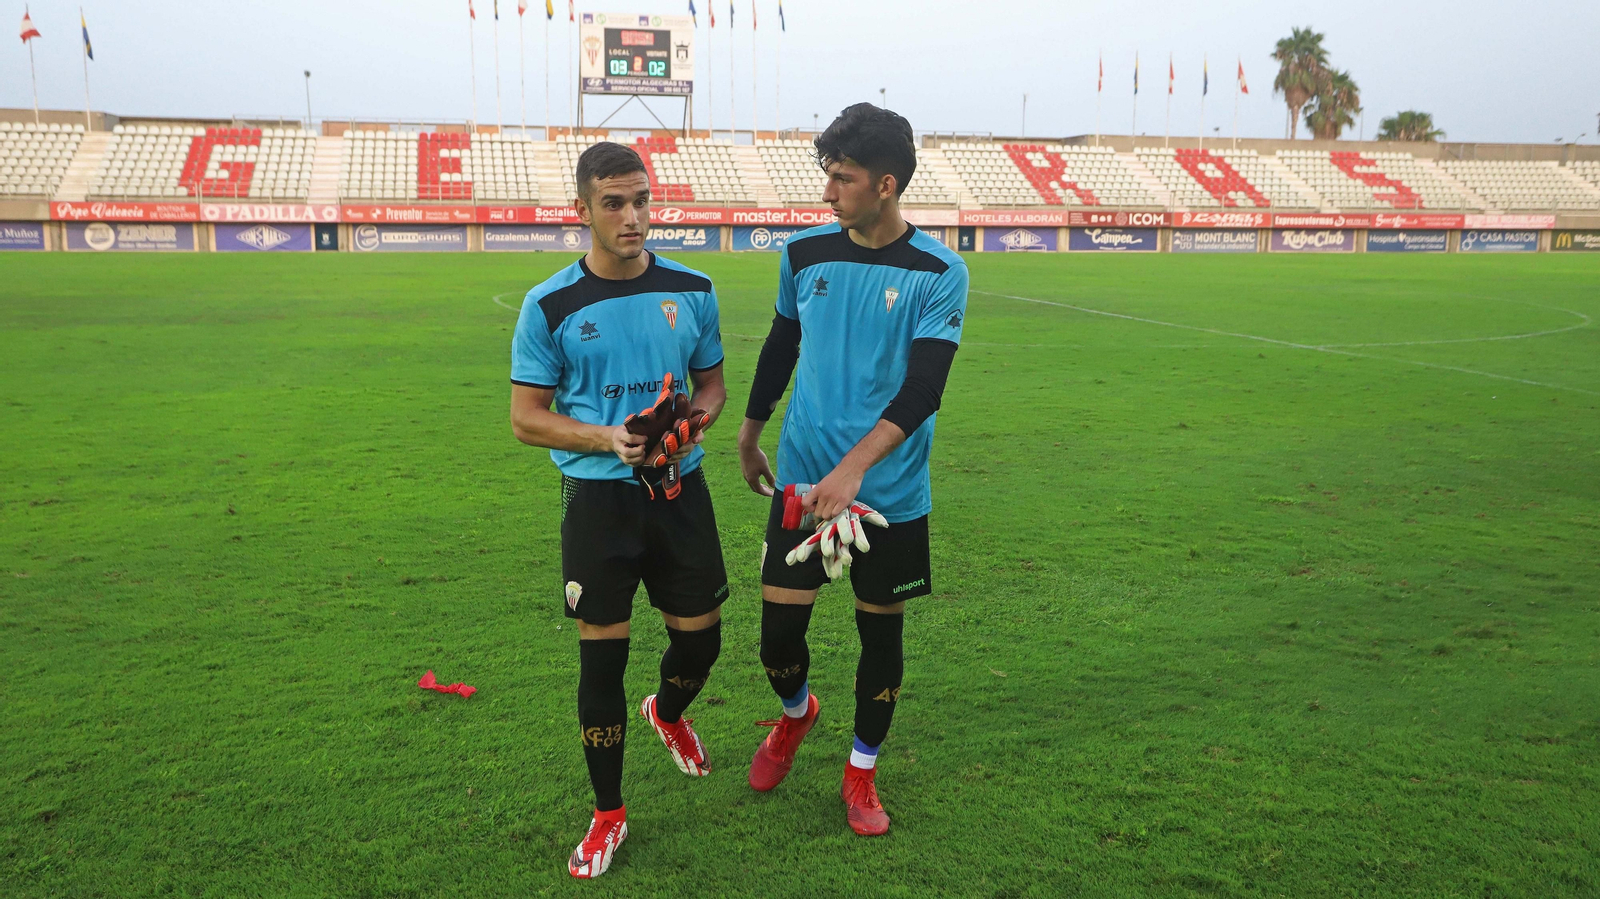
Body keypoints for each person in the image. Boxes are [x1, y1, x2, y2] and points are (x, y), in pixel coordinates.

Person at [736, 103, 968, 836]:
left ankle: (861, 772)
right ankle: (797, 715)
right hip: (804, 478)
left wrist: (857, 469)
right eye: (827, 176)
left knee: (881, 639)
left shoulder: (940, 270)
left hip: (887, 492)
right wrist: (749, 432)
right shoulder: (804, 255)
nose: (828, 193)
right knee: (777, 641)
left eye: (842, 178)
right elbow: (781, 344)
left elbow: (924, 388)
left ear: (887, 185)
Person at [509, 141, 729, 878]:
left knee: (701, 644)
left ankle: (666, 712)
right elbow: (526, 417)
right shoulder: (550, 305)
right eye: (613, 203)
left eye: (640, 199)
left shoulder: (693, 287)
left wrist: (690, 425)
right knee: (601, 658)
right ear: (582, 210)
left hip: (680, 491)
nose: (632, 216)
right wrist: (609, 438)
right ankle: (609, 813)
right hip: (598, 500)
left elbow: (713, 387)